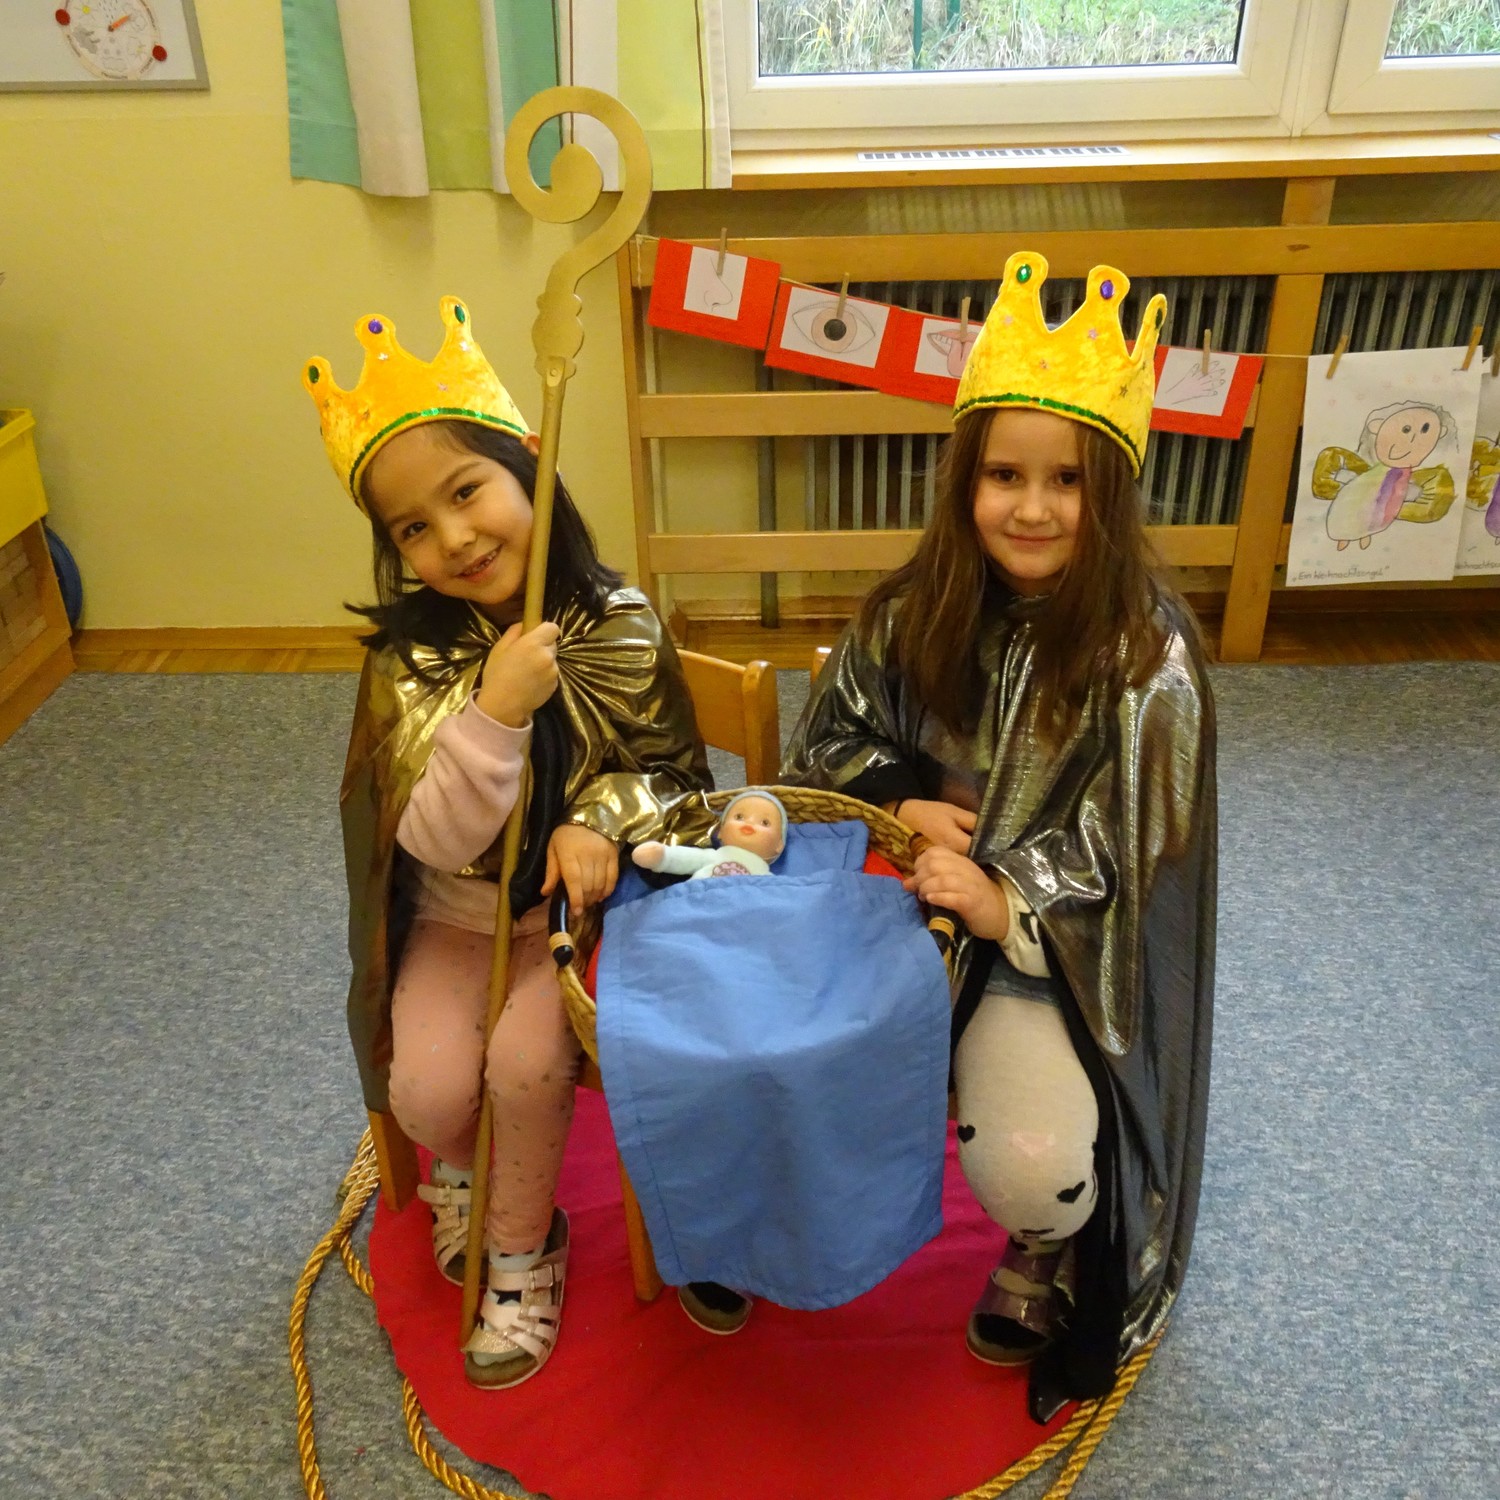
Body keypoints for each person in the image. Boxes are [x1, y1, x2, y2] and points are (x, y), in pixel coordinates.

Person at [782, 253, 1216, 1423]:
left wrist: (1008, 897)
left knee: (1034, 1163)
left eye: (1068, 481)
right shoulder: (911, 608)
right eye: (1004, 475)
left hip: (1042, 949)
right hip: (894, 902)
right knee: (765, 1055)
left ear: (1113, 493)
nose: (1032, 508)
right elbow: (831, 740)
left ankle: (1047, 1240)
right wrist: (901, 799)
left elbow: (1146, 860)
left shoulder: (1146, 661)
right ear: (964, 478)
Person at [303, 298, 713, 1389]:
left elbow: (681, 787)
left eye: (467, 492)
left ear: (529, 468)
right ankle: (463, 1173)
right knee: (431, 1092)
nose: (453, 538)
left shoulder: (622, 624)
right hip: (453, 918)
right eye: (411, 529)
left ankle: (523, 1251)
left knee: (527, 1069)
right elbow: (429, 834)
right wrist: (494, 710)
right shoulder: (408, 662)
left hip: (578, 922)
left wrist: (598, 819)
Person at [632, 789, 789, 879]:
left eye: (765, 823)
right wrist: (661, 856)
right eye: (739, 817)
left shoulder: (768, 880)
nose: (749, 823)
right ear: (720, 832)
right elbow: (683, 858)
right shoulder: (712, 856)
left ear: (779, 845)